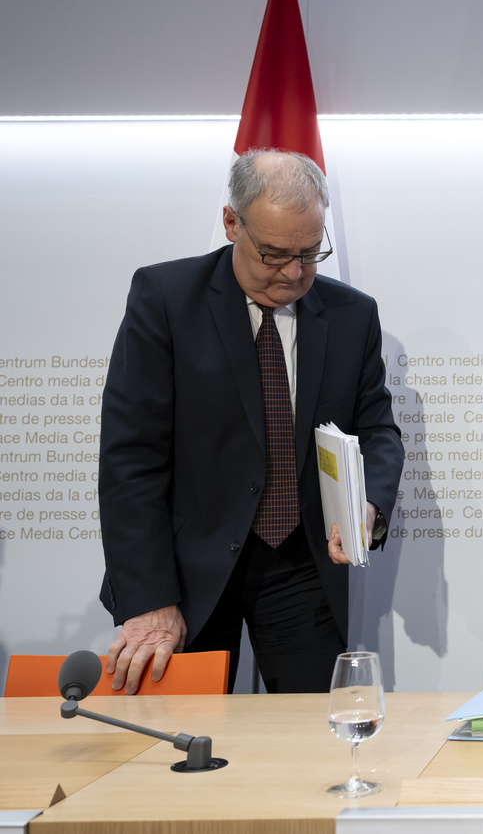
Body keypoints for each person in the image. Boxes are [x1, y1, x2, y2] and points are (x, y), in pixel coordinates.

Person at [98, 149, 403, 694]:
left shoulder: (352, 316)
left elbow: (378, 430)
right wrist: (150, 598)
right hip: (185, 568)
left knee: (314, 731)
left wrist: (368, 503)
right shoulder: (166, 299)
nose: (294, 273)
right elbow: (131, 458)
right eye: (274, 254)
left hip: (300, 563)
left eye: (309, 253)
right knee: (178, 735)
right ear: (231, 223)